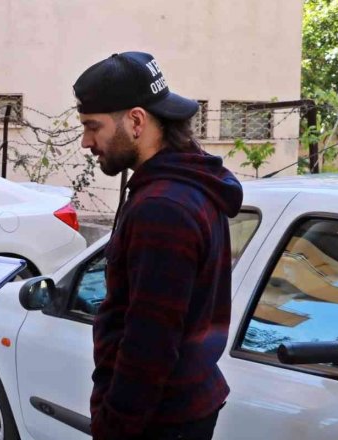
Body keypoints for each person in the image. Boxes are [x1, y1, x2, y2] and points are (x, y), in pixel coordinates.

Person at [73, 51, 243, 440]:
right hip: (184, 407)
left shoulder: (164, 207)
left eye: (92, 126)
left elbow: (150, 342)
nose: (86, 141)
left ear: (136, 120)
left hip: (159, 421)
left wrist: (114, 426)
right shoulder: (190, 182)